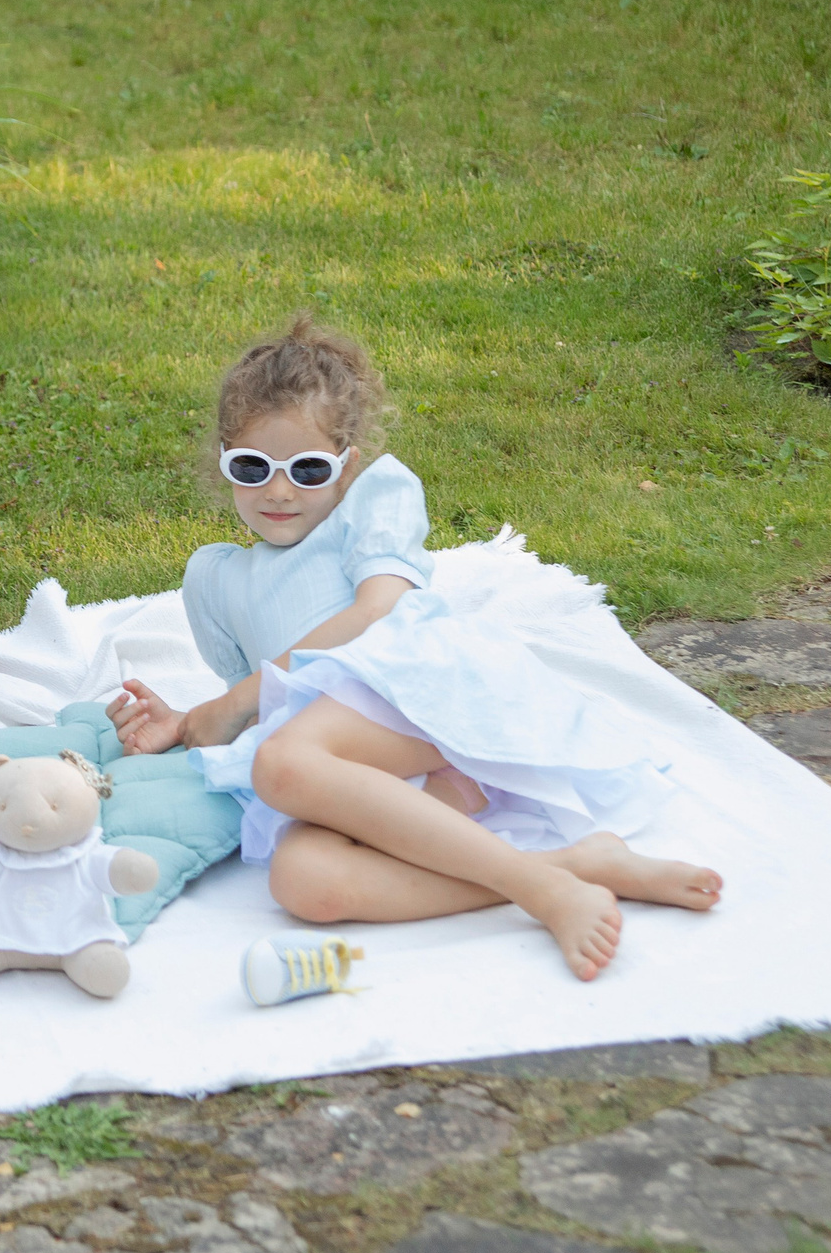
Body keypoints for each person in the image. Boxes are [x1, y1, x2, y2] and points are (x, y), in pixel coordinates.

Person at [107, 316, 722, 982]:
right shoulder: (215, 577)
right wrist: (185, 719)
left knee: (283, 764)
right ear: (224, 459)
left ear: (347, 463)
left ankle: (542, 893)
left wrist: (229, 706)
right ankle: (576, 867)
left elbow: (379, 610)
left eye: (308, 468)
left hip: (425, 694)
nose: (279, 491)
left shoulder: (375, 496)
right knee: (304, 880)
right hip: (360, 761)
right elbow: (269, 704)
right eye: (252, 467)